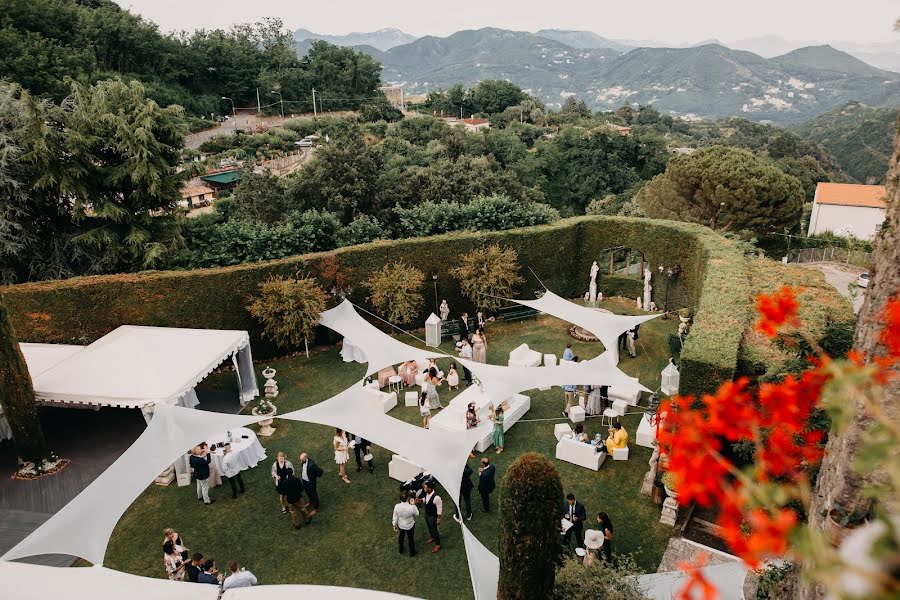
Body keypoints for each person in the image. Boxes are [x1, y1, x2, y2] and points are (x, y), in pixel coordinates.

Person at [392, 490, 419, 557]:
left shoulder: (397, 506)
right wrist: (413, 505)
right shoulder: (411, 507)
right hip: (410, 525)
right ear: (407, 498)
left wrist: (394, 524)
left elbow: (395, 517)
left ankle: (401, 549)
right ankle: (412, 552)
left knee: (401, 537)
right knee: (410, 539)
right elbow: (417, 514)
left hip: (401, 525)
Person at [418, 481, 442, 553]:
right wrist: (420, 500)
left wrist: (438, 519)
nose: (424, 489)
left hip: (433, 517)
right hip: (427, 515)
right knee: (429, 527)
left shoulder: (436, 498)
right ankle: (432, 537)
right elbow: (426, 499)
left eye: (425, 487)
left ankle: (438, 544)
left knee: (434, 530)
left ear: (430, 488)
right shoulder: (426, 493)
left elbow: (439, 509)